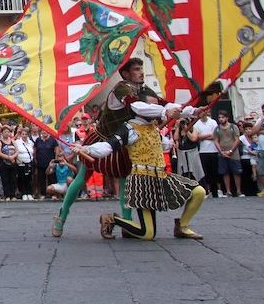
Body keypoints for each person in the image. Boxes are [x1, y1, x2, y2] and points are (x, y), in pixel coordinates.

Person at [52, 58, 157, 237]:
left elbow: (159, 103)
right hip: (99, 139)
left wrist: (185, 110)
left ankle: (127, 223)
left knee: (125, 181)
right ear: (125, 74)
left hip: (121, 143)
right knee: (81, 179)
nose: (141, 72)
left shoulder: (144, 90)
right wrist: (162, 110)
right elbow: (140, 106)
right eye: (137, 69)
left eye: (142, 68)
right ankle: (62, 215)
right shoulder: (121, 89)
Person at [75, 100, 205, 241]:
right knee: (148, 233)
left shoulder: (153, 128)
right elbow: (108, 146)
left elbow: (171, 118)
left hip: (161, 176)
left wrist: (194, 112)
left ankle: (182, 226)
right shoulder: (129, 128)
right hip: (142, 183)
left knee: (199, 192)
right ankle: (112, 219)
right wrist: (86, 148)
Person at [213, 111, 242, 198]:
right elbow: (216, 140)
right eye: (219, 118)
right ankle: (228, 191)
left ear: (227, 118)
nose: (221, 119)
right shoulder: (217, 129)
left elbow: (237, 139)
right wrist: (221, 151)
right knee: (225, 172)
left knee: (236, 172)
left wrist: (231, 151)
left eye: (222, 117)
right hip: (222, 153)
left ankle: (238, 191)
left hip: (234, 153)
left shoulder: (233, 127)